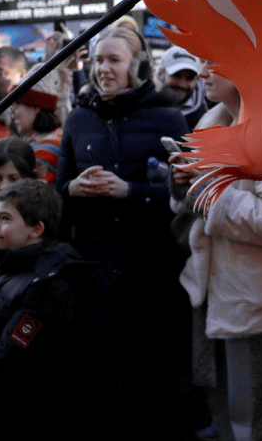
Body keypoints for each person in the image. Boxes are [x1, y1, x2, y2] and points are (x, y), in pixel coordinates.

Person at [169, 61, 262, 441]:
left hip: (260, 303)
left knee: (256, 424)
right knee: (225, 417)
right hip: (215, 292)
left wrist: (205, 189)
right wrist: (182, 185)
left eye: (211, 59)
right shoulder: (212, 122)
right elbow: (201, 200)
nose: (202, 71)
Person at [55, 24, 190, 438]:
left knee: (152, 382)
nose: (103, 69)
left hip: (153, 272)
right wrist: (72, 190)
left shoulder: (168, 117)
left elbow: (186, 192)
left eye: (114, 60)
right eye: (97, 60)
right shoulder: (79, 119)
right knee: (100, 381)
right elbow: (59, 190)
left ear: (138, 66)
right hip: (95, 272)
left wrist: (131, 191)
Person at [0, 179, 81, 439]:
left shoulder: (46, 283)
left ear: (36, 229)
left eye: (5, 219)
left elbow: (11, 353)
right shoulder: (9, 265)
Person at [10, 64, 65, 183]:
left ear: (36, 108)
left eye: (17, 106)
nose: (13, 115)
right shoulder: (47, 138)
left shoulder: (46, 149)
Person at [157, 45, 208, 129]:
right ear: (160, 74)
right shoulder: (143, 105)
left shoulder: (205, 120)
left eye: (190, 78)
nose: (182, 84)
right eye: (176, 75)